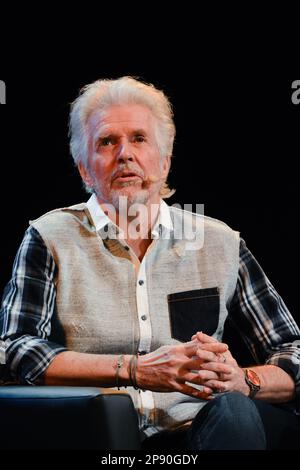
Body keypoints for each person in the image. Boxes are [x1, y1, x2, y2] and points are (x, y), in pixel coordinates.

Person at [0, 76, 300, 450]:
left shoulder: (219, 241)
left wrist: (245, 380)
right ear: (83, 168)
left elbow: (292, 348)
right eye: (107, 141)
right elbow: (16, 350)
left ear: (165, 160)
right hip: (92, 433)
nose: (124, 153)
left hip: (199, 433)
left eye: (139, 139)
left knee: (236, 410)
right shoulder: (50, 237)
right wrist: (135, 370)